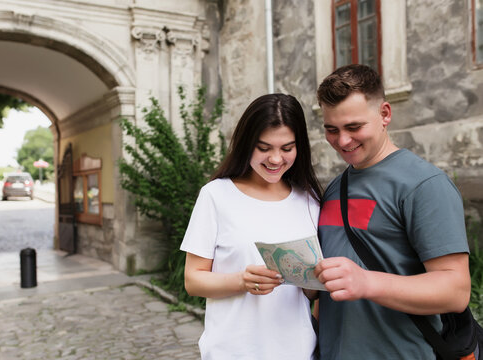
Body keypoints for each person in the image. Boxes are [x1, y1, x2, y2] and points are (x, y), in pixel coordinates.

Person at [313, 64, 471, 359]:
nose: (342, 141)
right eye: (331, 129)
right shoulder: (335, 188)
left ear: (385, 114)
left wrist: (366, 282)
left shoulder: (424, 184)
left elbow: (456, 291)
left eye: (354, 127)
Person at [180, 93, 323, 360]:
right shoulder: (216, 195)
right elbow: (193, 280)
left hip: (299, 351)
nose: (276, 159)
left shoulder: (310, 201)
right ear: (247, 144)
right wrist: (241, 281)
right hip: (233, 351)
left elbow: (313, 292)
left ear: (299, 147)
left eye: (287, 148)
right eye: (264, 148)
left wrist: (314, 281)